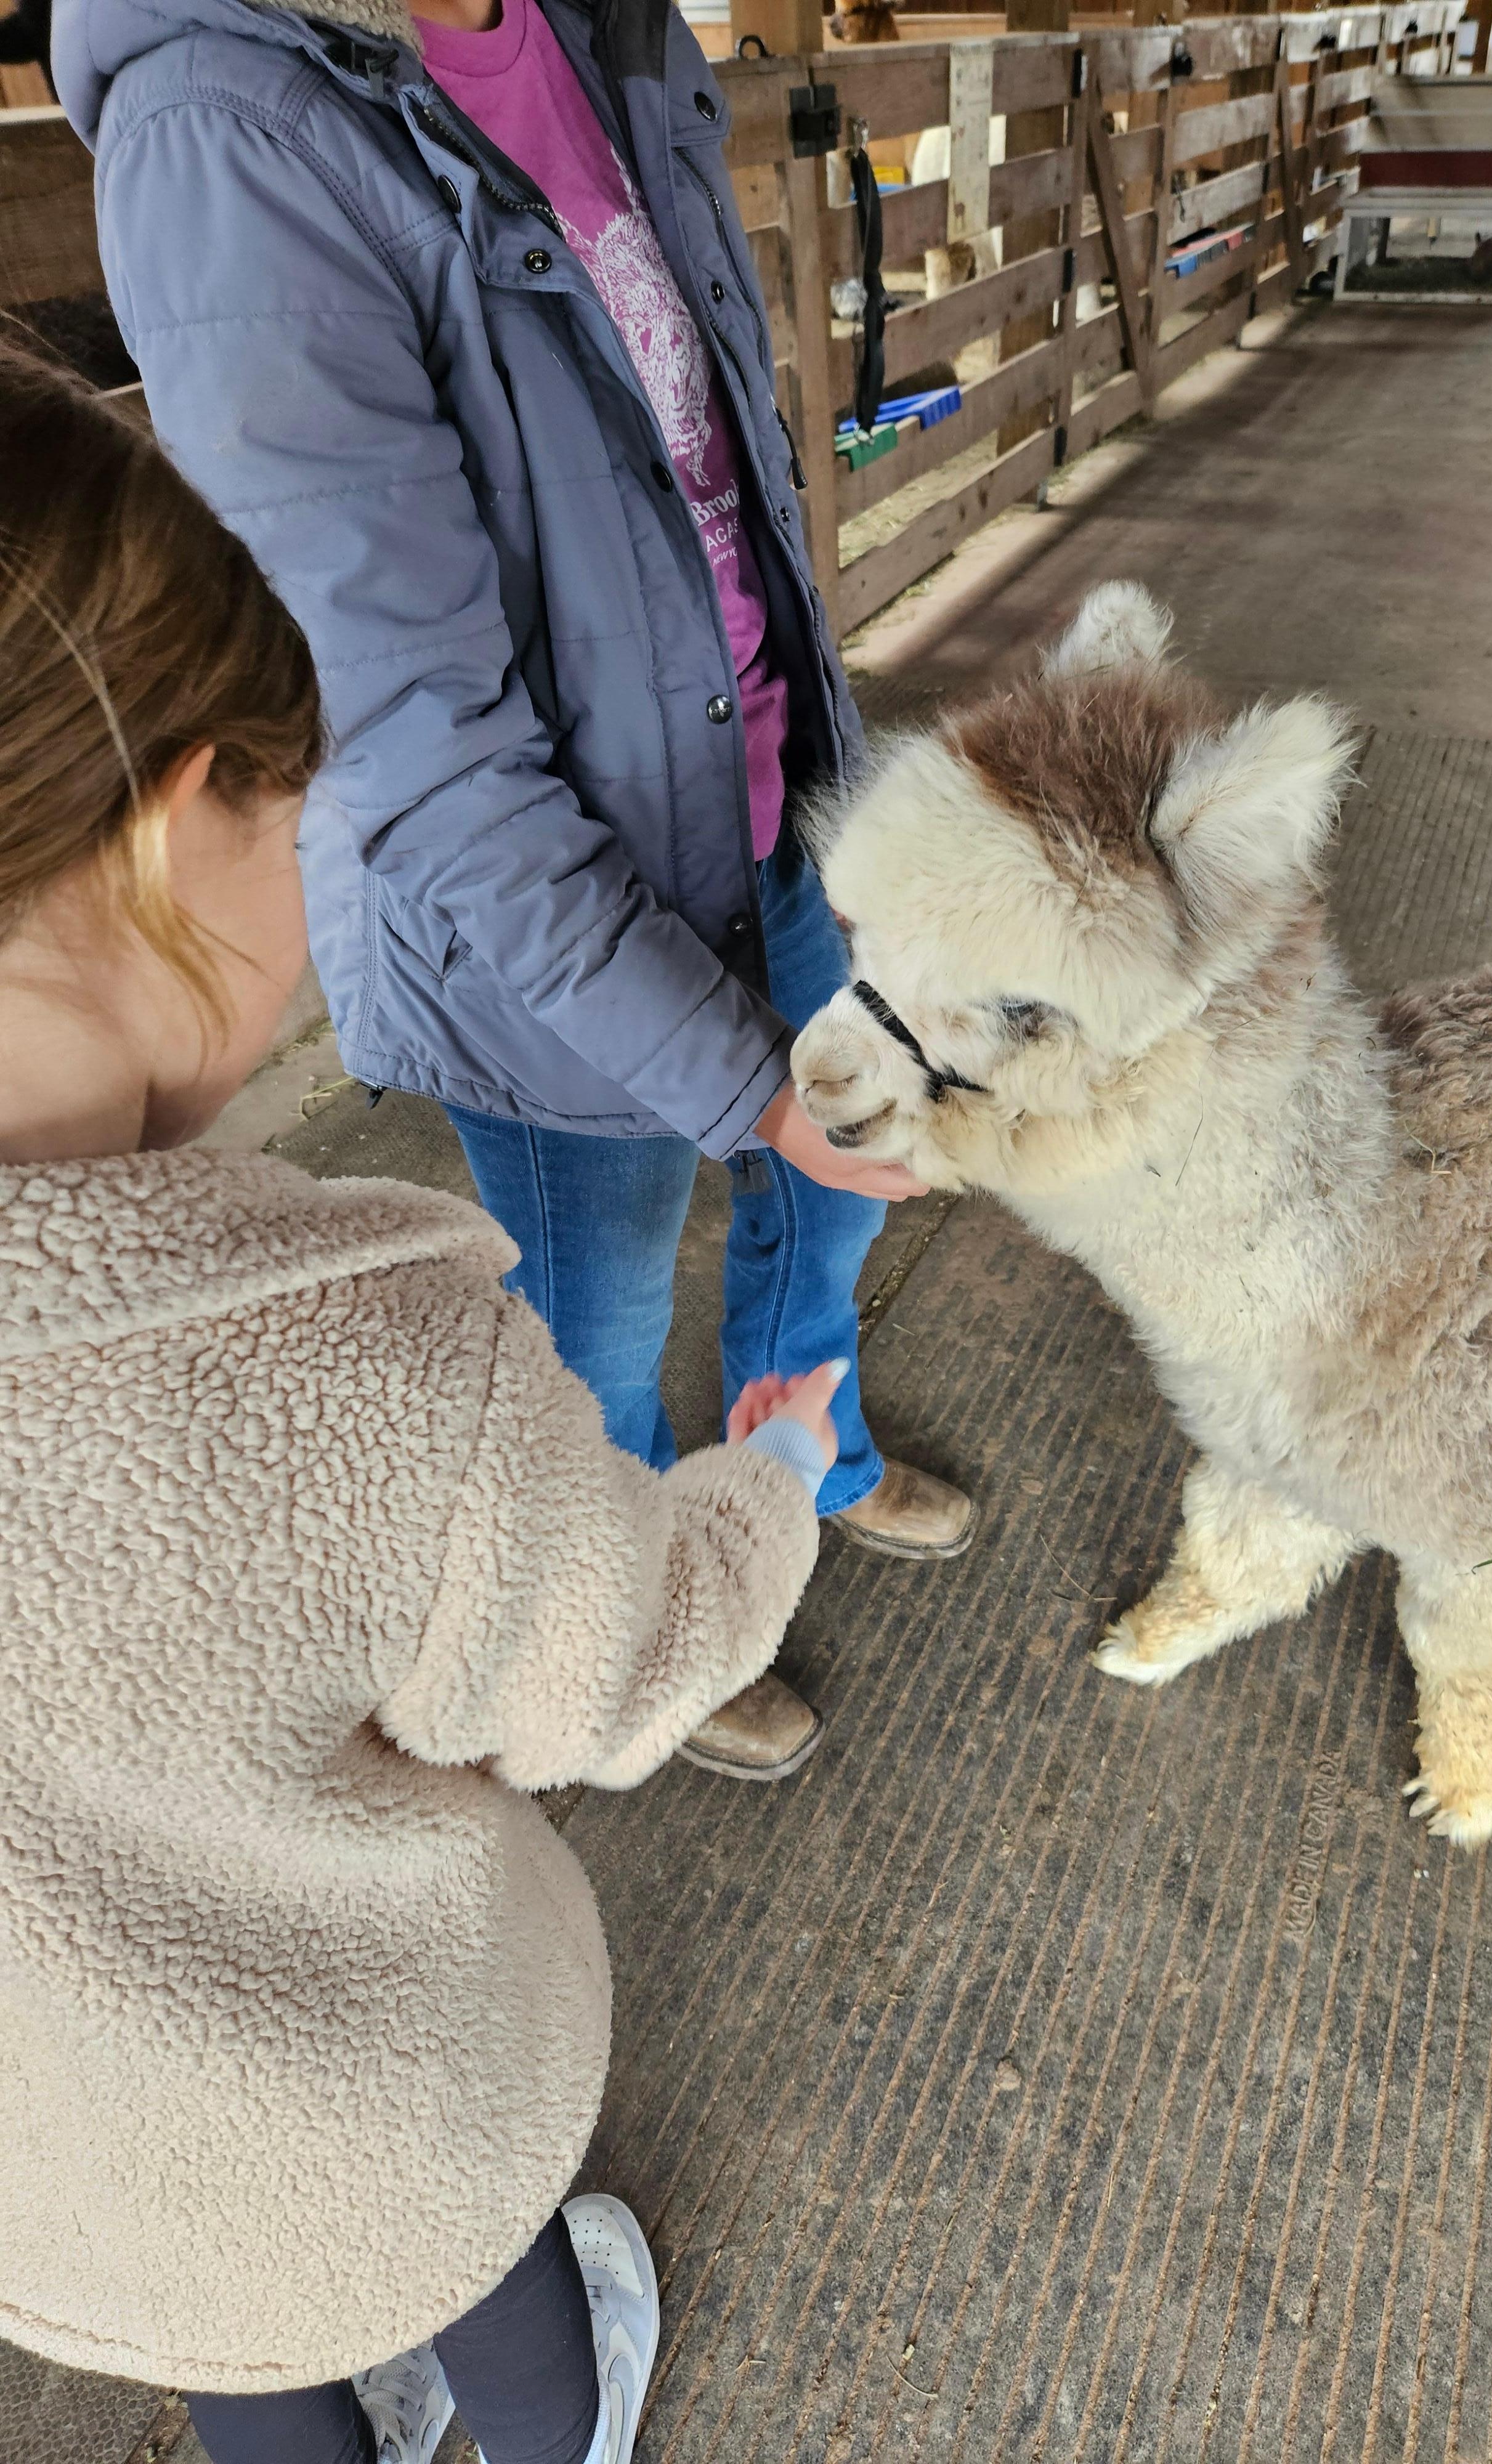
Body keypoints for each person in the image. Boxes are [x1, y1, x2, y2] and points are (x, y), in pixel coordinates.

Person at [0, 344, 847, 2464]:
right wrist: (770, 1480)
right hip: (377, 2099)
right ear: (178, 818)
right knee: (450, 2247)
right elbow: (616, 1659)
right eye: (312, 816)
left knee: (238, 2331)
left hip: (63, 2174)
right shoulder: (348, 1366)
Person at [57, 0, 976, 1783]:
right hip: (541, 909)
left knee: (844, 1182)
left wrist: (836, 791)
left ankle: (812, 1456)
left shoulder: (598, 14)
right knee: (598, 1314)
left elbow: (712, 459)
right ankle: (647, 1622)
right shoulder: (227, 128)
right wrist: (737, 1079)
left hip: (763, 779)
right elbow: (413, 735)